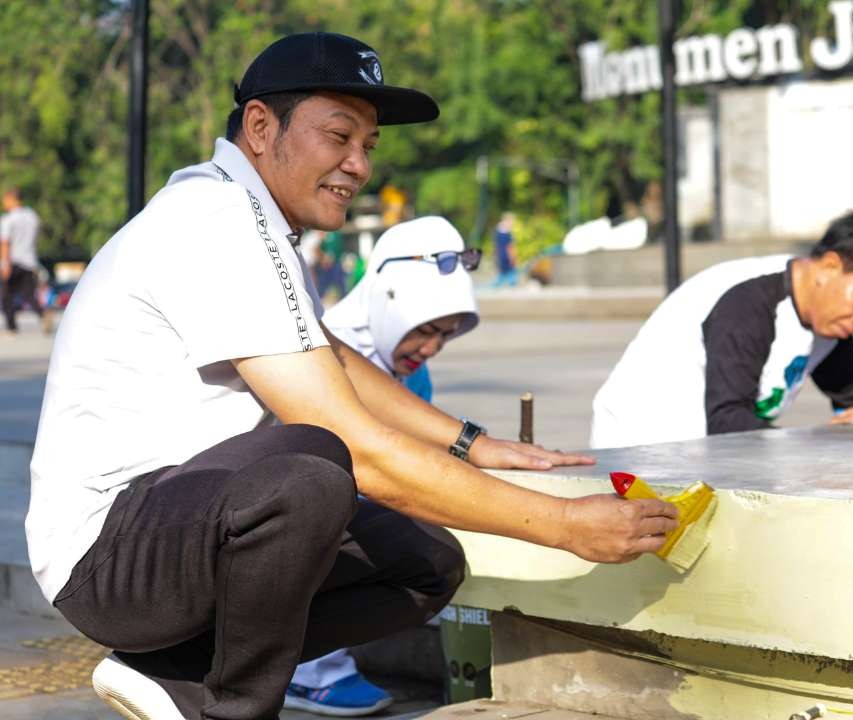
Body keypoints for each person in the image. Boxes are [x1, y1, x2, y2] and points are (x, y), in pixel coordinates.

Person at [25, 32, 677, 720]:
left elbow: (330, 356)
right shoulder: (215, 219)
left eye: (368, 145)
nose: (358, 164)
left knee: (426, 563)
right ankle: (233, 711)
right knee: (313, 469)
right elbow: (352, 444)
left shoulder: (248, 215)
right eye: (339, 136)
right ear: (259, 127)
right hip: (108, 555)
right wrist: (565, 525)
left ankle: (178, 676)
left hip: (175, 531)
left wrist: (472, 443)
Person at [287, 215, 480, 716]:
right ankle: (309, 669)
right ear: (393, 301)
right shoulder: (321, 352)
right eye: (427, 331)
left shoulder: (409, 368)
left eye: (445, 337)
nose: (431, 348)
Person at [590, 210, 853, 449]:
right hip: (639, 456)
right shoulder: (747, 302)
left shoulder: (830, 322)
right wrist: (820, 445)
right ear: (830, 267)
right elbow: (729, 425)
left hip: (704, 460)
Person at [0, 187, 44, 334]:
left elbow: (5, 243)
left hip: (13, 261)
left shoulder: (8, 219)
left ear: (12, 199)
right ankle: (42, 314)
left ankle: (11, 327)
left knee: (6, 295)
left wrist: (4, 264)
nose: (3, 203)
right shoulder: (32, 216)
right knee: (28, 294)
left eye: (5, 200)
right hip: (29, 260)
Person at [491, 212, 518, 287]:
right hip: (506, 254)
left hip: (501, 253)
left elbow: (496, 244)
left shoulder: (497, 230)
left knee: (504, 270)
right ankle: (510, 284)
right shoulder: (507, 232)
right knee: (510, 270)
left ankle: (501, 284)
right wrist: (513, 256)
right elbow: (510, 246)